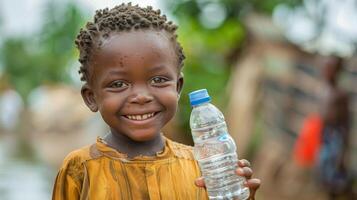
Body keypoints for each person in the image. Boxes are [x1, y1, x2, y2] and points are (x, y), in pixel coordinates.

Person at [52, 3, 261, 200]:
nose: (141, 96)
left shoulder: (200, 166)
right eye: (118, 84)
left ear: (177, 87)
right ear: (91, 97)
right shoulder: (80, 169)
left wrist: (241, 195)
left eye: (158, 80)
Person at [317, 56, 353, 199]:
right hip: (326, 133)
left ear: (338, 72)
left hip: (336, 135)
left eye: (330, 69)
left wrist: (344, 149)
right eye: (325, 68)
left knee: (335, 171)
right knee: (324, 170)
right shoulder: (324, 90)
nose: (327, 71)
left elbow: (346, 122)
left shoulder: (341, 94)